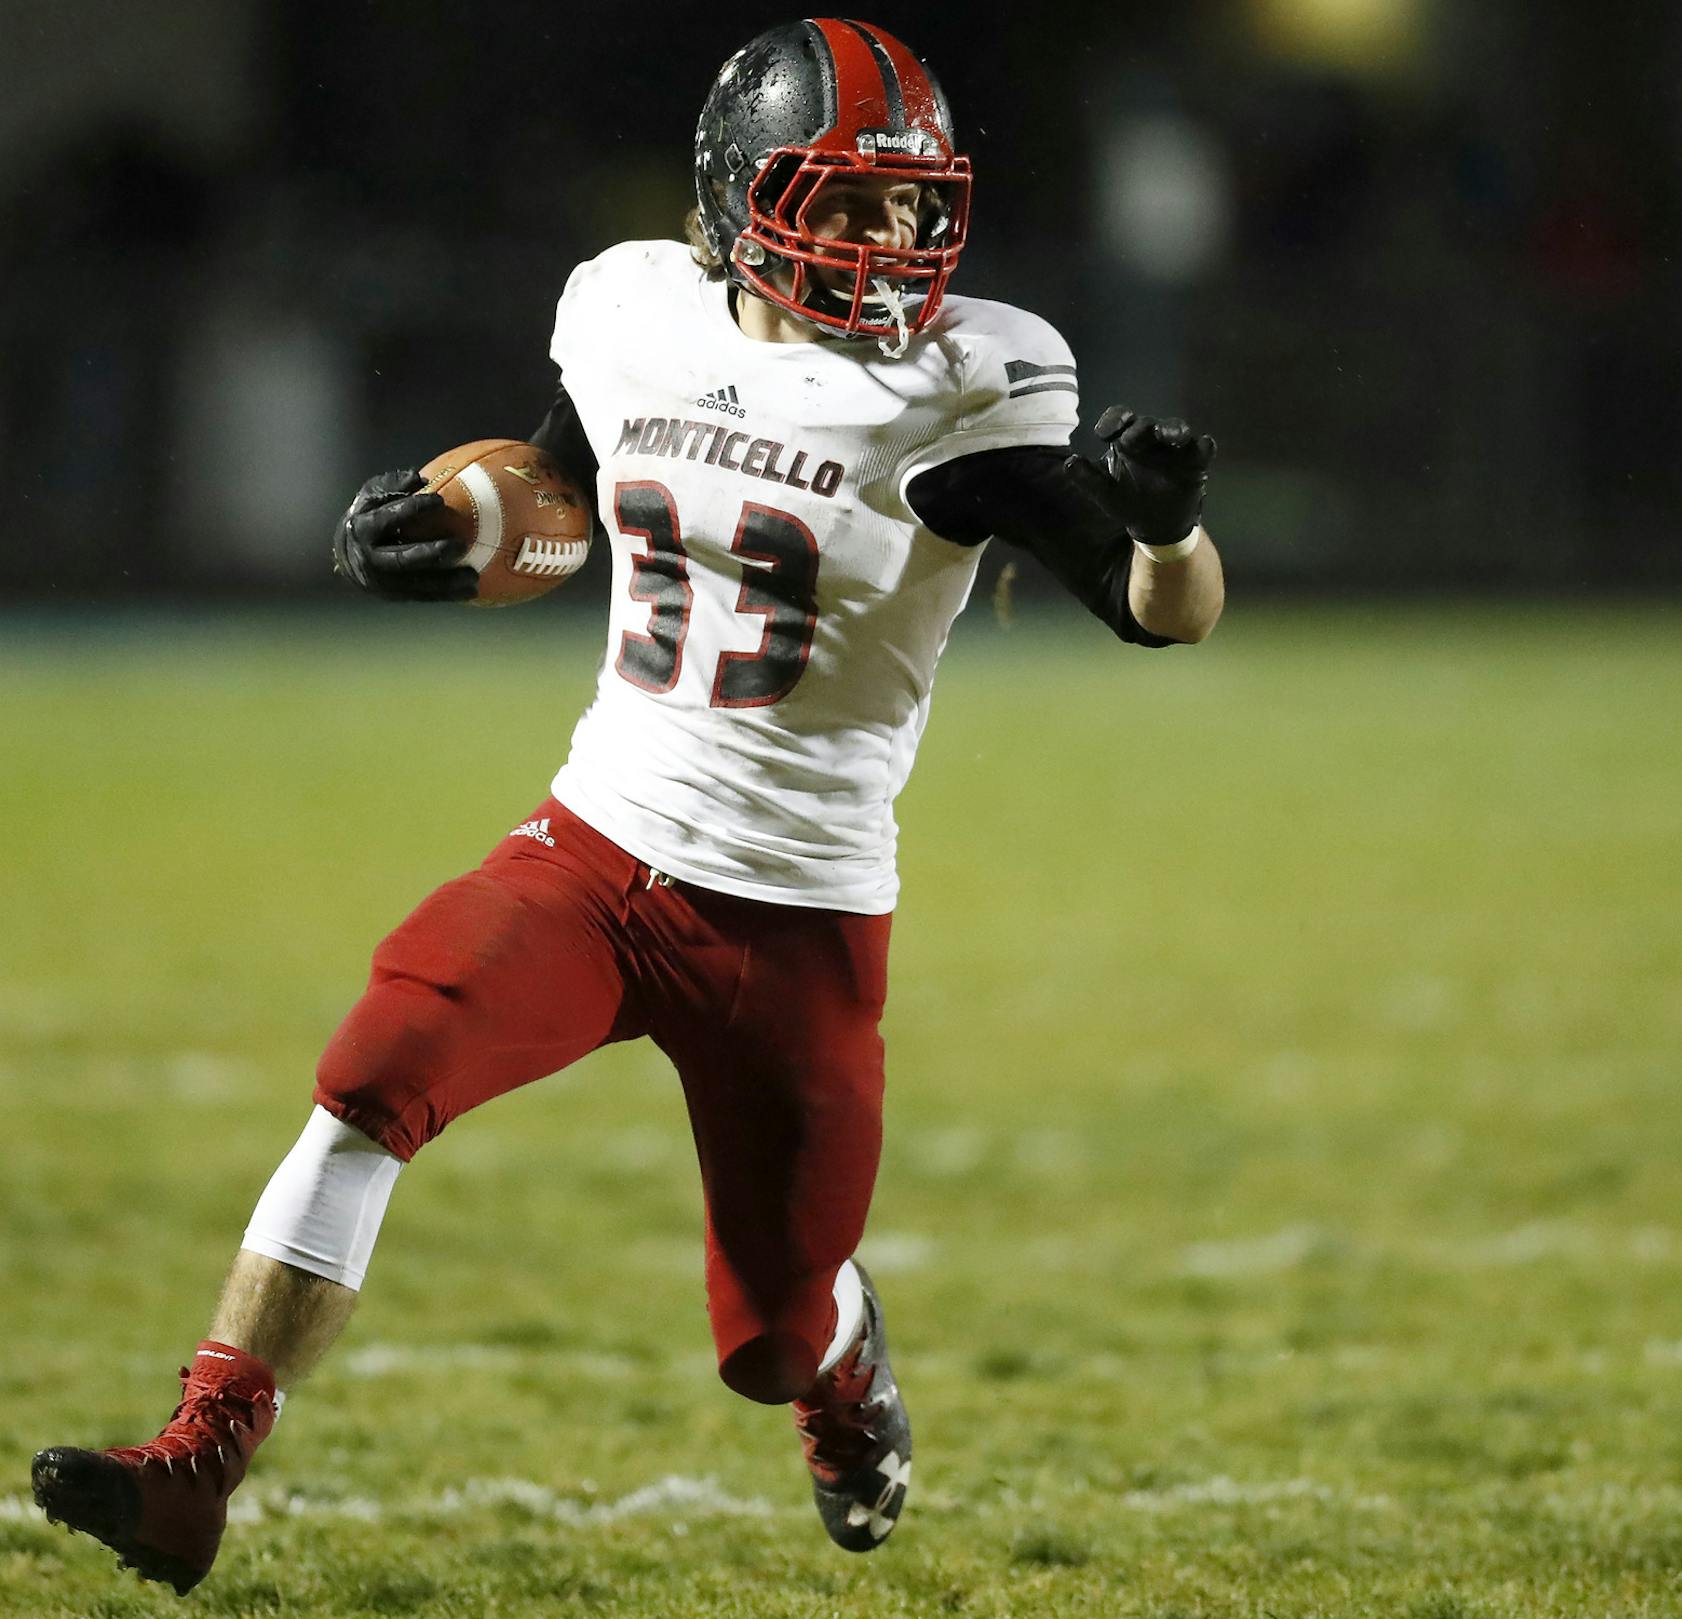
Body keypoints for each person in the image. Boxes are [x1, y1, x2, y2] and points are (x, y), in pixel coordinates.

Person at [28, 16, 1224, 1596]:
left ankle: (847, 1363)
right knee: (375, 1068)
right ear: (738, 197)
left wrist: (1166, 529)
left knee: (773, 1338)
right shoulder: (629, 306)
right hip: (597, 851)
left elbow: (1165, 616)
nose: (885, 242)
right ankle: (195, 1459)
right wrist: (443, 533)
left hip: (794, 916)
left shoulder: (967, 388)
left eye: (911, 206)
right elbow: (558, 490)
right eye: (844, 200)